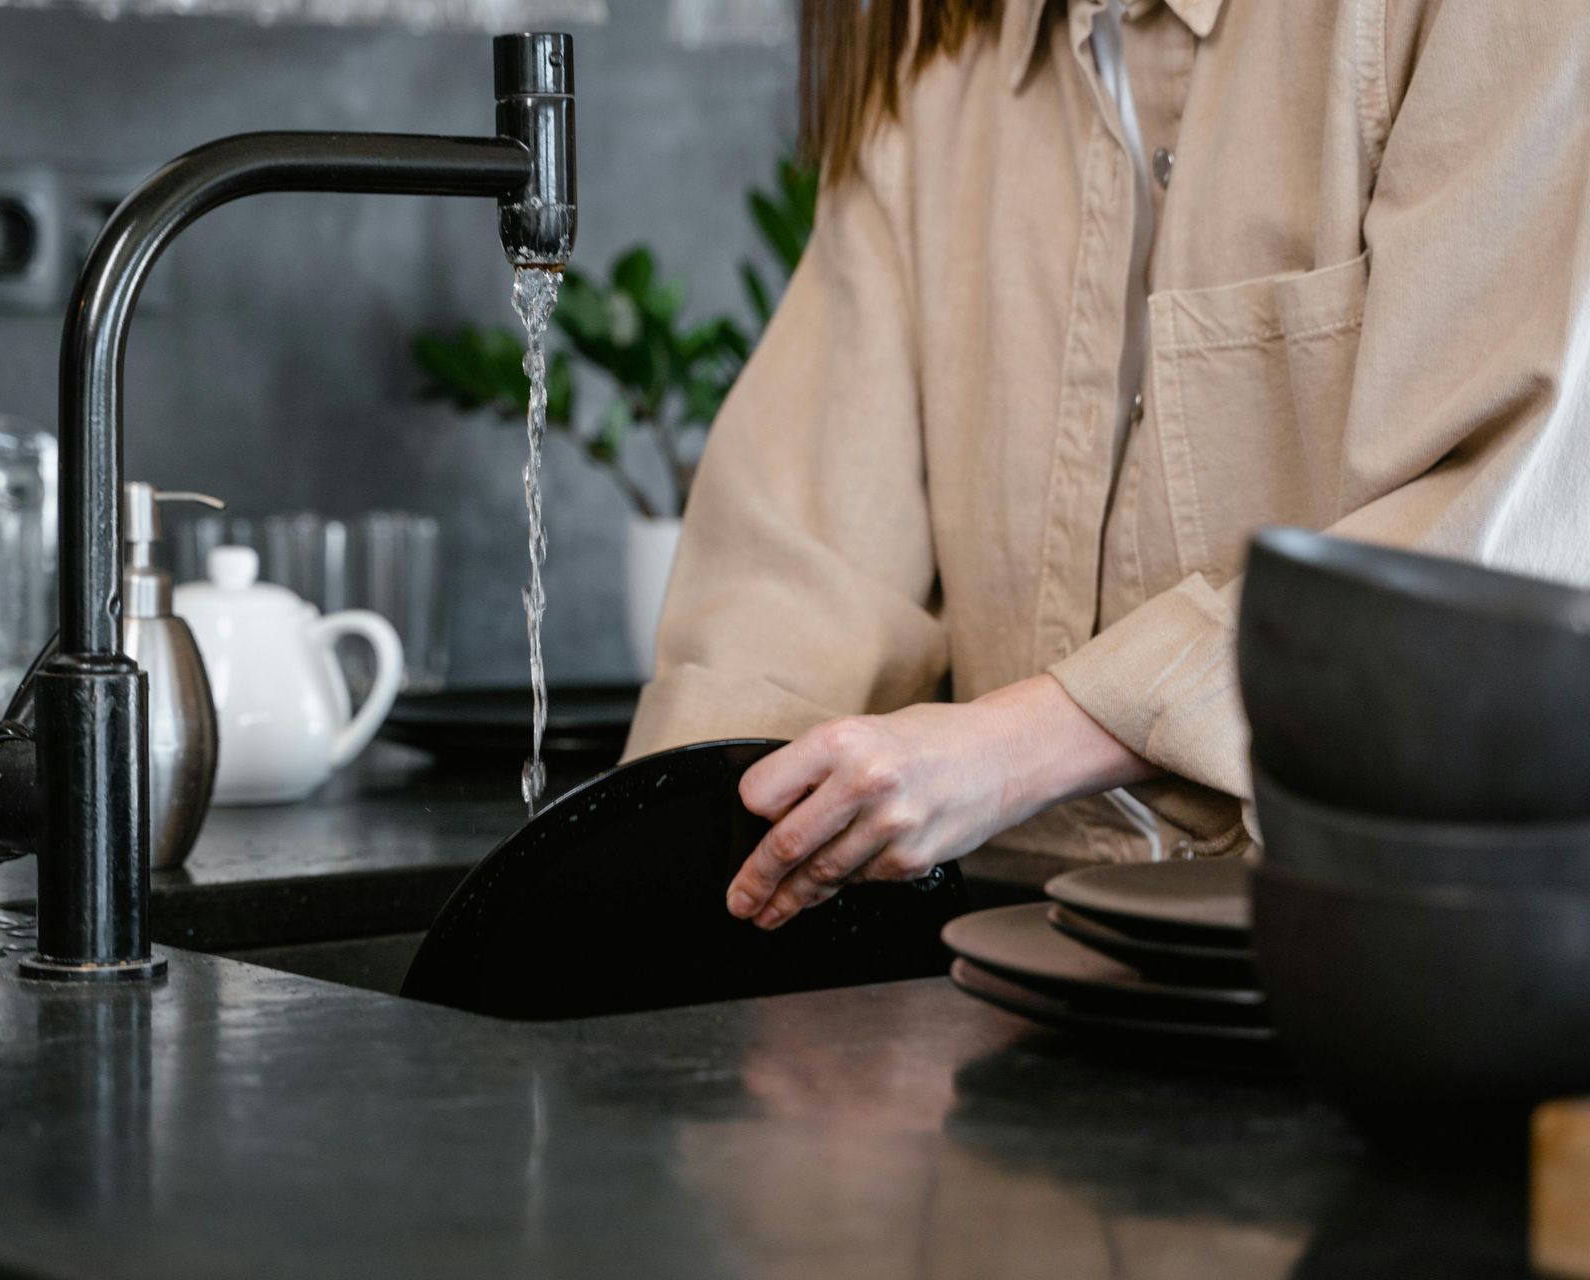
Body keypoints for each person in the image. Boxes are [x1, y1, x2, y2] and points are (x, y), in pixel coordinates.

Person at [623, 0, 1590, 931]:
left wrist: (1018, 749)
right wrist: (677, 855)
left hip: (1394, 960)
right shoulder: (934, 43)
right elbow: (796, 564)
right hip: (1006, 979)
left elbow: (1481, 560)